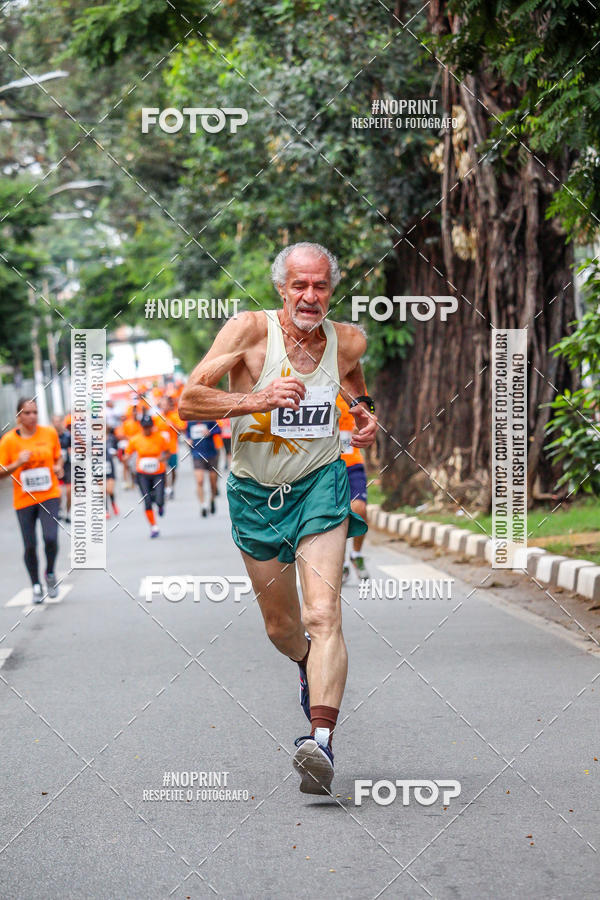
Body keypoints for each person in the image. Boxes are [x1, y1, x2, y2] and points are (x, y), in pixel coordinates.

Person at [179, 242, 377, 795]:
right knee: (283, 627)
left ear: (331, 290)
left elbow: (357, 381)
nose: (310, 297)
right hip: (254, 493)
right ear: (280, 289)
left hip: (320, 484)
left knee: (324, 614)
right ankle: (304, 664)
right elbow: (190, 401)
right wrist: (256, 399)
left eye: (320, 287)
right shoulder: (248, 333)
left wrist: (364, 416)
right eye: (299, 286)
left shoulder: (349, 339)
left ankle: (320, 740)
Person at [0, 398, 64, 602]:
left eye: (35, 412)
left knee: (51, 538)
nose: (32, 416)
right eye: (27, 413)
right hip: (24, 499)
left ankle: (51, 574)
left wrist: (59, 466)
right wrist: (17, 463)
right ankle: (36, 584)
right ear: (18, 416)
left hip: (49, 494)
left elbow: (58, 457)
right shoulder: (9, 441)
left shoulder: (49, 433)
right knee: (30, 545)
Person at [336, 395, 370, 582]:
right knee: (335, 517)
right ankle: (340, 564)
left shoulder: (353, 392)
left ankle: (356, 555)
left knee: (359, 508)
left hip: (353, 463)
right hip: (327, 465)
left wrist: (363, 427)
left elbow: (369, 416)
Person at [124, 413, 169, 537]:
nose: (147, 429)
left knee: (159, 499)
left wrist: (162, 458)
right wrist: (125, 458)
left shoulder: (160, 438)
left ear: (152, 426)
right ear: (141, 427)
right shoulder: (135, 439)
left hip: (158, 472)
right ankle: (154, 527)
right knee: (147, 500)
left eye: (149, 426)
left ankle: (160, 505)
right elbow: (127, 453)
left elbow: (167, 452)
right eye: (145, 427)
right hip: (142, 473)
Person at [184, 419, 221, 516]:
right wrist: (188, 440)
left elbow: (218, 429)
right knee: (199, 480)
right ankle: (203, 505)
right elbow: (188, 433)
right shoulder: (190, 421)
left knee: (213, 482)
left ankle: (212, 499)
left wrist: (210, 432)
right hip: (197, 454)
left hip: (211, 453)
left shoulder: (209, 418)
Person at [52, 413, 72, 523]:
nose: (57, 424)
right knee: (58, 492)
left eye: (58, 421)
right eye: (54, 421)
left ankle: (68, 513)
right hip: (56, 468)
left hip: (68, 466)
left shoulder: (68, 436)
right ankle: (59, 509)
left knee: (69, 492)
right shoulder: (51, 437)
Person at [105, 426, 120, 519]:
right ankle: (105, 510)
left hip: (109, 465)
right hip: (98, 465)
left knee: (109, 489)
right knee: (102, 490)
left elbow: (117, 450)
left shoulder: (111, 438)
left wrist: (115, 453)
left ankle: (113, 503)